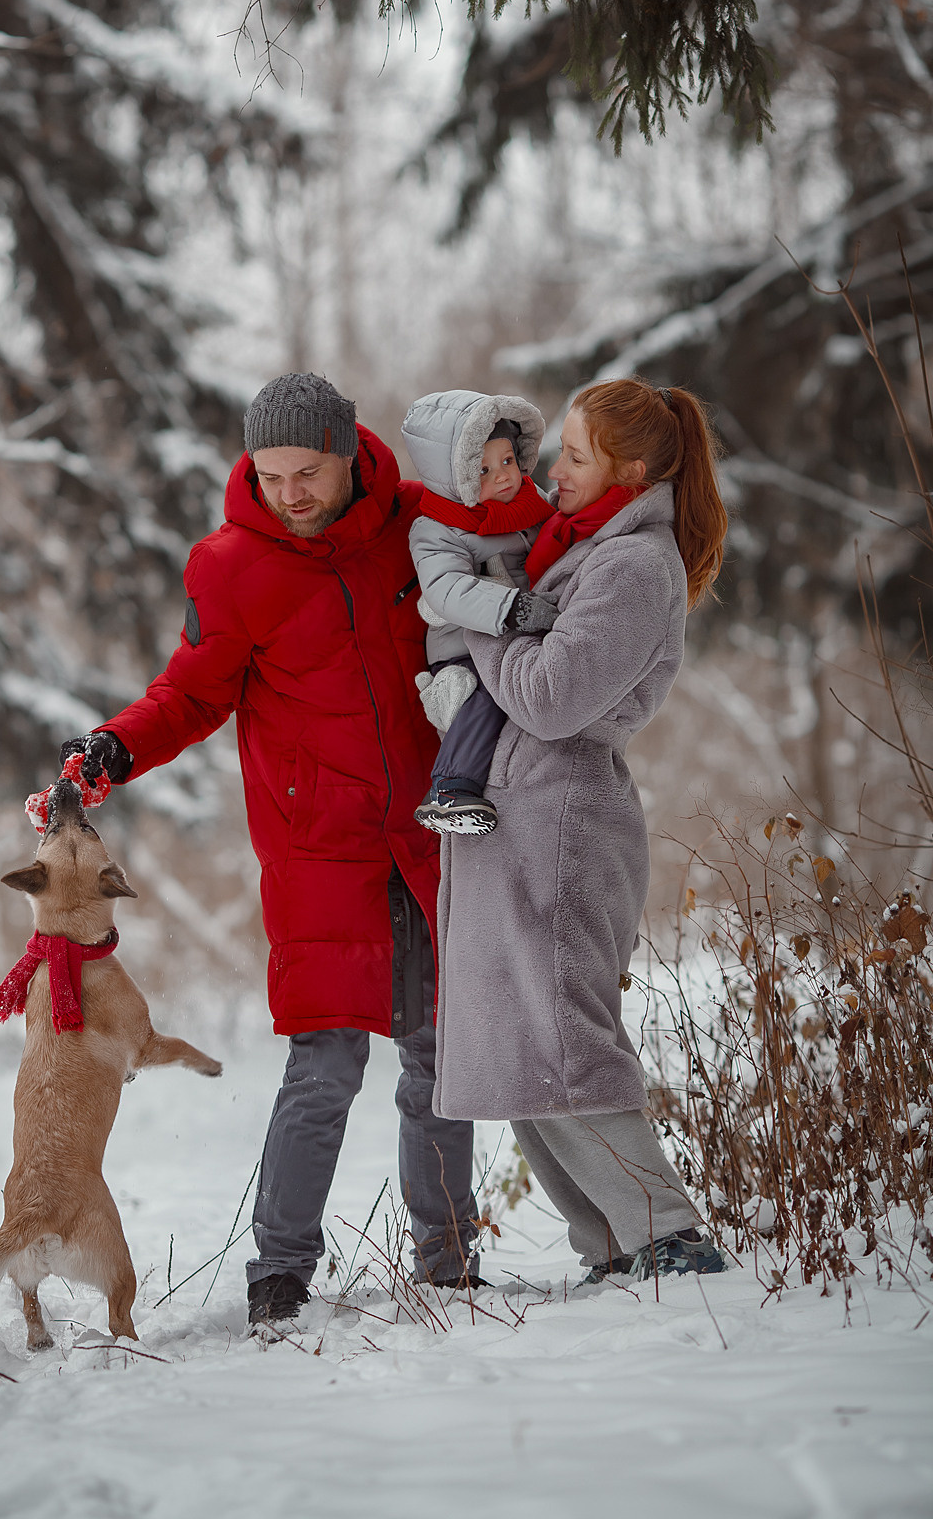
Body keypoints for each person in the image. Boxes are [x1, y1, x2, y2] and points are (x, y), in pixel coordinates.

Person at [61, 373, 481, 1329]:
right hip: (318, 848)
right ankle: (281, 1270)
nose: (289, 492)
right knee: (326, 1065)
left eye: (306, 471)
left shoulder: (415, 526)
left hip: (432, 833)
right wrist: (117, 745)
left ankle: (449, 1263)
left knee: (439, 1053)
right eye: (269, 472)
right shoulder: (230, 565)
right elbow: (192, 691)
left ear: (347, 451)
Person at [433, 378, 729, 1283]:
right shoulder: (579, 551)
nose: (552, 469)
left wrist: (472, 614)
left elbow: (553, 697)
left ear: (631, 471)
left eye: (575, 455)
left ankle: (668, 1233)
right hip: (513, 816)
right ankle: (611, 1243)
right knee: (521, 1046)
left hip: (562, 822)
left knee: (562, 1034)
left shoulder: (634, 567)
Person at [401, 389, 559, 836]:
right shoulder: (435, 528)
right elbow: (446, 588)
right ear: (456, 478)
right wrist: (512, 608)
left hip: (520, 630)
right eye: (484, 470)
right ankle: (450, 787)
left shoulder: (533, 505)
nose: (503, 476)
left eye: (507, 460)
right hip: (464, 646)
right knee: (490, 694)